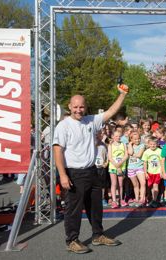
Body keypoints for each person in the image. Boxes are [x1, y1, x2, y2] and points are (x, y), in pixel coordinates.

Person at [53, 86, 127, 254]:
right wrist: (63, 175)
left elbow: (110, 111)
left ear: (85, 107)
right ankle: (72, 240)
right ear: (70, 107)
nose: (78, 110)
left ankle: (98, 235)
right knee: (74, 210)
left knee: (96, 207)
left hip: (92, 171)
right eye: (75, 107)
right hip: (73, 173)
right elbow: (57, 150)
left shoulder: (91, 121)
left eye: (81, 107)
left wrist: (122, 95)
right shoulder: (63, 126)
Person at [108, 130, 129, 208]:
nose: (118, 137)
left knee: (120, 184)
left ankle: (121, 199)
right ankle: (114, 200)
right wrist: (117, 166)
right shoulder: (110, 145)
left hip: (122, 167)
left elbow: (126, 155)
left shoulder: (123, 144)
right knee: (114, 183)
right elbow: (110, 157)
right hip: (113, 167)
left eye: (119, 136)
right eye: (116, 136)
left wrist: (120, 164)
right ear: (113, 136)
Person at [127, 131, 146, 206]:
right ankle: (137, 198)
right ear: (131, 139)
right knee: (135, 185)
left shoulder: (142, 145)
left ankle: (142, 199)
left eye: (138, 139)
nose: (137, 140)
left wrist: (133, 154)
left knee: (143, 183)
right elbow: (130, 152)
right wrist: (130, 144)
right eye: (135, 139)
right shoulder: (129, 145)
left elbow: (139, 155)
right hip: (131, 168)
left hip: (139, 167)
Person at [142, 137, 162, 208]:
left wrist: (162, 171)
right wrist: (145, 172)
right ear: (148, 144)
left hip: (158, 172)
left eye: (154, 144)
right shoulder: (146, 152)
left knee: (156, 186)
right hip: (150, 172)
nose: (153, 145)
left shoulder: (159, 151)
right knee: (149, 187)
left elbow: (162, 162)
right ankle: (148, 199)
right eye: (151, 144)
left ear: (157, 144)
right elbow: (145, 162)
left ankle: (154, 200)